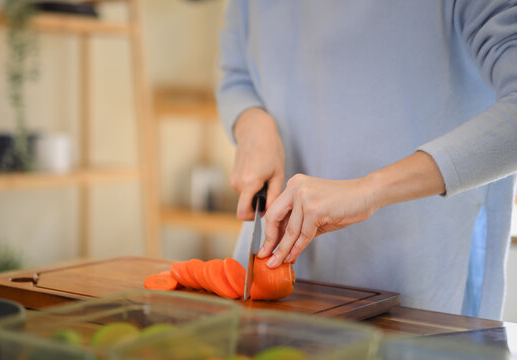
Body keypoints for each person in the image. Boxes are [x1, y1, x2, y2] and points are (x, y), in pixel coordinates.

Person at [216, 0, 517, 320]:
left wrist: (369, 190)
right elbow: (236, 76)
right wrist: (252, 123)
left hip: (420, 267)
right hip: (285, 267)